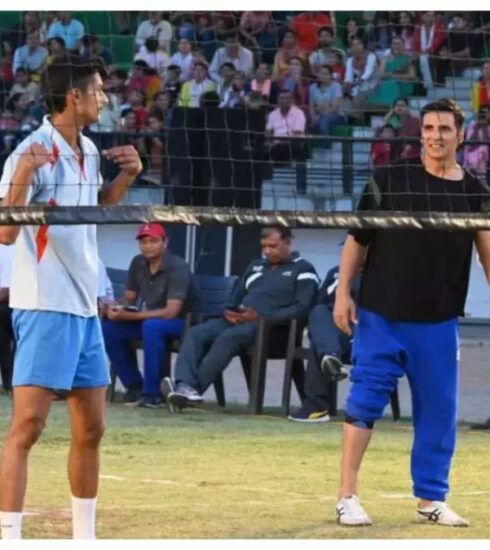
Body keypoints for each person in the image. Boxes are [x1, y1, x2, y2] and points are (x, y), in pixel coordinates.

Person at [0, 54, 142, 539]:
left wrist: (126, 178)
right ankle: (9, 536)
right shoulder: (30, 150)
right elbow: (4, 231)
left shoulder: (88, 150)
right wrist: (21, 177)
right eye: (98, 91)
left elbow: (95, 210)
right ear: (73, 96)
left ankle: (85, 537)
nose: (104, 98)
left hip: (83, 307)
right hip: (44, 305)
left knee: (93, 429)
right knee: (29, 427)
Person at [333, 98, 490, 527]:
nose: (436, 136)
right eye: (429, 128)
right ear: (420, 133)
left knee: (438, 413)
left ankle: (430, 500)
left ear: (460, 134)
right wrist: (343, 292)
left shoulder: (476, 192)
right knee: (364, 402)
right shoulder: (388, 178)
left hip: (439, 321)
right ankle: (347, 496)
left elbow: (487, 256)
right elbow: (357, 240)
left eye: (444, 129)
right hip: (382, 314)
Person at [162, 225, 319, 411]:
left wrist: (261, 316)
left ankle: (191, 391)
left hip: (274, 330)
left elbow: (303, 309)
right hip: (240, 321)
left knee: (229, 338)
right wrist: (230, 311)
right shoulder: (255, 266)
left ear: (288, 242)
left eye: (273, 246)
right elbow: (236, 297)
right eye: (264, 246)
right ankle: (184, 386)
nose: (267, 251)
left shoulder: (303, 269)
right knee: (197, 333)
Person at [103, 223, 199, 408]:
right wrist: (114, 306)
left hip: (185, 323)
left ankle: (152, 394)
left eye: (153, 241)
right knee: (109, 329)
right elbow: (129, 298)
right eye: (144, 242)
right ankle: (135, 386)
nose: (148, 246)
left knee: (152, 326)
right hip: (152, 321)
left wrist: (130, 316)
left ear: (165, 243)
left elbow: (171, 311)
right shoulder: (138, 262)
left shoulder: (177, 267)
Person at [288, 265, 360, 423]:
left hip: (367, 331)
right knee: (319, 312)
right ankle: (330, 356)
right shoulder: (335, 272)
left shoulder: (384, 271)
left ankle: (316, 407)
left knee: (320, 343)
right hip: (338, 332)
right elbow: (320, 302)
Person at [0, 244, 14, 392]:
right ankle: (8, 384)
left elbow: (6, 289)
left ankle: (12, 384)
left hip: (12, 306)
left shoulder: (9, 251)